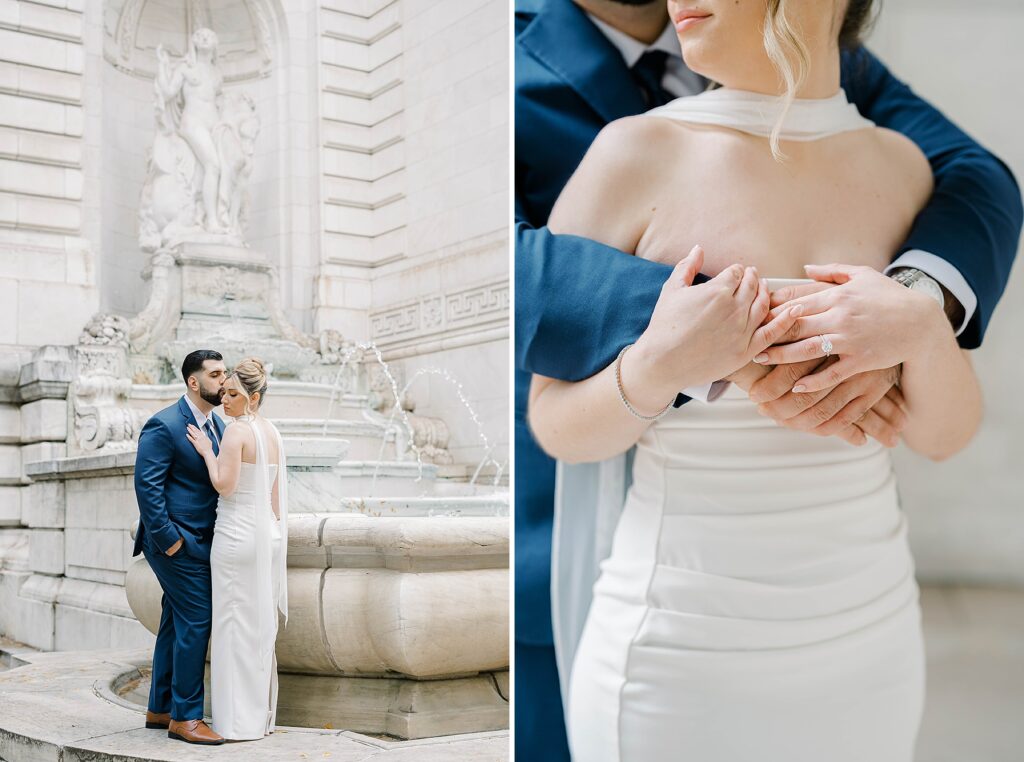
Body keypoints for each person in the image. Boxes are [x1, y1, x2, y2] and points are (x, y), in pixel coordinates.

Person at [513, 0, 1022, 757]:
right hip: (677, 654)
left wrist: (920, 324)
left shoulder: (903, 167)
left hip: (869, 635)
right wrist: (666, 360)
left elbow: (944, 435)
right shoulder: (630, 153)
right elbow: (552, 421)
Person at [186, 357, 289, 741]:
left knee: (231, 627)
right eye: (225, 392)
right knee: (257, 628)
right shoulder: (273, 432)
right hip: (266, 537)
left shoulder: (235, 433)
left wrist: (206, 451)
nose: (224, 400)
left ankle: (235, 723)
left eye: (233, 394)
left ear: (253, 397)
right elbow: (274, 498)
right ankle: (257, 718)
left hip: (235, 539)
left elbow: (224, 486)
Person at [133, 349, 228, 745]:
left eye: (224, 373)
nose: (223, 380)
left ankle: (160, 708)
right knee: (198, 619)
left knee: (175, 622)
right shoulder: (165, 424)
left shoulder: (218, 425)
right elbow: (147, 487)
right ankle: (186, 717)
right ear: (193, 381)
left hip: (202, 541)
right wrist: (169, 541)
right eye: (215, 374)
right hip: (175, 543)